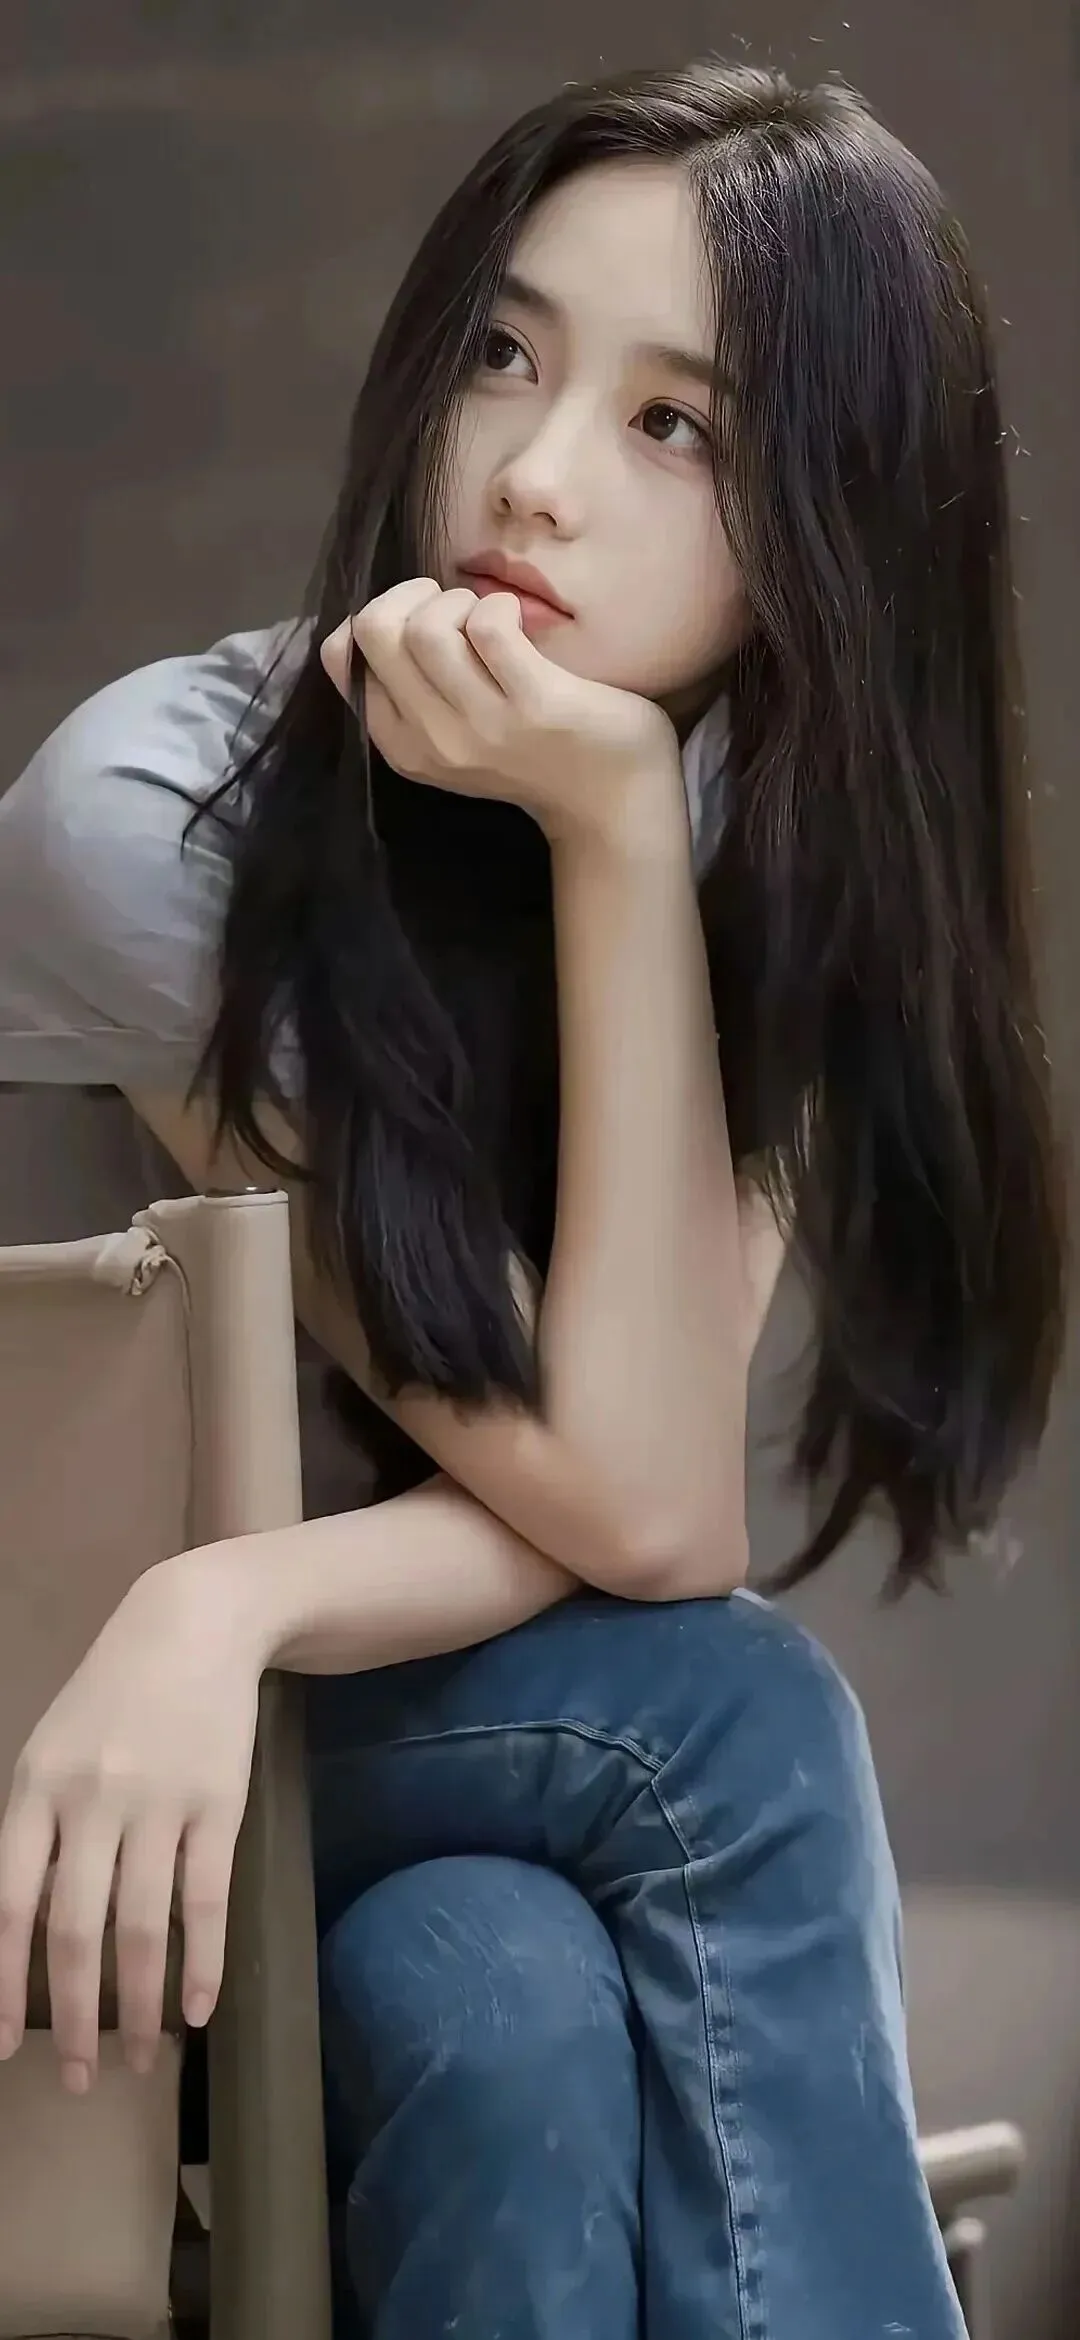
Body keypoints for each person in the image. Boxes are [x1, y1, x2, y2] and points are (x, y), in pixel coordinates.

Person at [0, 54, 1066, 2340]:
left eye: (675, 424)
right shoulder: (153, 830)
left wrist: (239, 1599)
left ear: (837, 535)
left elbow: (615, 1500)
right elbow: (647, 1524)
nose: (533, 473)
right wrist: (193, 1618)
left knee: (503, 2006)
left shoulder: (738, 853)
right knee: (737, 1723)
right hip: (64, 1761)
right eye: (504, 352)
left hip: (317, 1769)